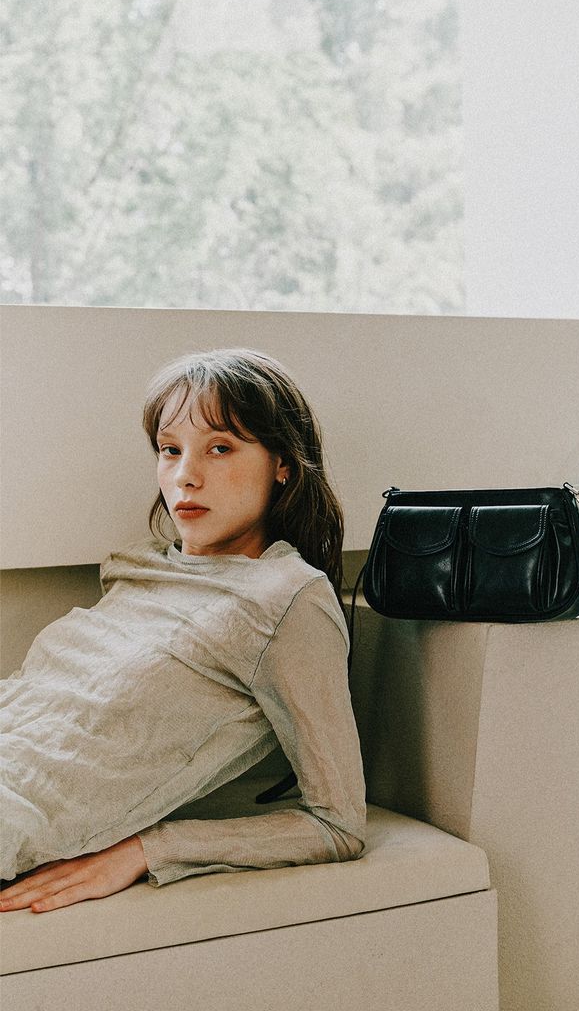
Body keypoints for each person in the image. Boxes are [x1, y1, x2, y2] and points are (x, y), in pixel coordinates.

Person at [0, 347, 366, 913]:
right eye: (170, 450)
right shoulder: (142, 567)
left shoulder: (286, 600)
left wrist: (147, 849)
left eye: (220, 448)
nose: (185, 477)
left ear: (283, 464)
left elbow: (337, 823)